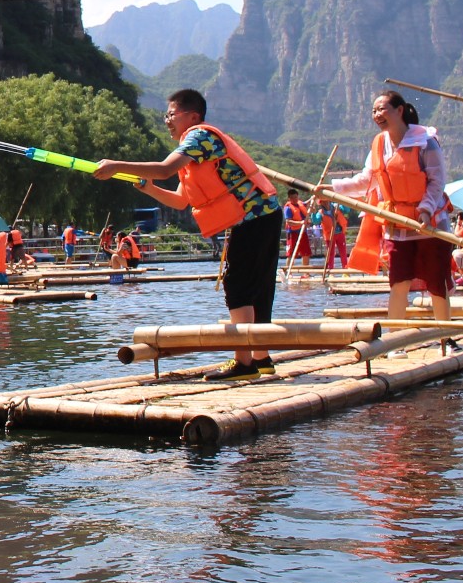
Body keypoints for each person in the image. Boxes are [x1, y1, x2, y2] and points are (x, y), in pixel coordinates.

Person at [97, 88, 285, 380]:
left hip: (256, 216)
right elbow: (181, 200)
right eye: (166, 115)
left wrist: (115, 165)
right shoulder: (193, 152)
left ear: (192, 116)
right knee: (254, 288)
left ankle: (245, 363)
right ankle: (260, 359)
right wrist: (148, 189)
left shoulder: (199, 137)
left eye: (171, 114)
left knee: (238, 286)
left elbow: (163, 169)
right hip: (258, 217)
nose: (167, 121)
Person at [329, 90, 454, 330]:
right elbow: (367, 180)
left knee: (437, 283)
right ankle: (395, 339)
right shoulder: (378, 145)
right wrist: (333, 187)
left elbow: (437, 181)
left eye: (382, 109)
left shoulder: (425, 142)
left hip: (430, 224)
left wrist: (426, 209)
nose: (377, 115)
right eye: (374, 111)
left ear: (399, 110)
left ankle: (445, 336)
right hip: (397, 224)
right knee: (398, 282)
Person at [282, 187, 312, 265]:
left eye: (295, 197)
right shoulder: (288, 208)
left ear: (298, 196)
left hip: (302, 232)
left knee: (306, 252)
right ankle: (289, 272)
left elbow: (309, 202)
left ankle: (305, 273)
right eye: (292, 198)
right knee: (291, 253)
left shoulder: (301, 204)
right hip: (292, 232)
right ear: (289, 198)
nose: (294, 199)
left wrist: (314, 196)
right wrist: (301, 223)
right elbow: (289, 222)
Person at [319, 201, 349, 271]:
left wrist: (342, 203)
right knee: (330, 253)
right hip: (330, 235)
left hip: (340, 232)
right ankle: (330, 270)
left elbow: (347, 210)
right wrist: (313, 213)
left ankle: (345, 270)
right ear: (321, 203)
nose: (325, 203)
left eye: (326, 201)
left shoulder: (336, 206)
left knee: (343, 252)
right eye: (323, 202)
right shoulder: (321, 212)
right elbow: (315, 220)